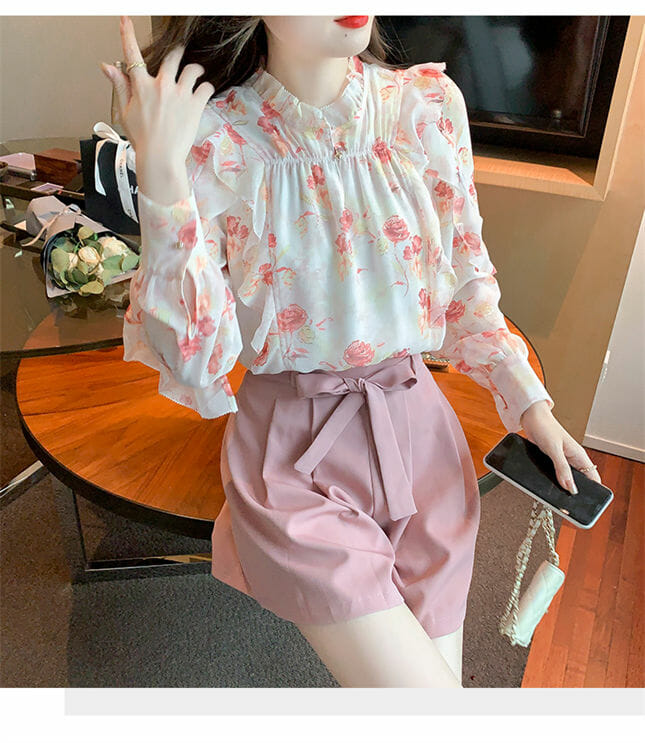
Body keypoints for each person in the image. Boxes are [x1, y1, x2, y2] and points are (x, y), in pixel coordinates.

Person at [101, 15, 603, 688]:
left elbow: (466, 279)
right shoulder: (211, 137)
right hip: (293, 457)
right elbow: (195, 359)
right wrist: (161, 174)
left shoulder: (427, 106)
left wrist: (529, 403)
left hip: (421, 437)